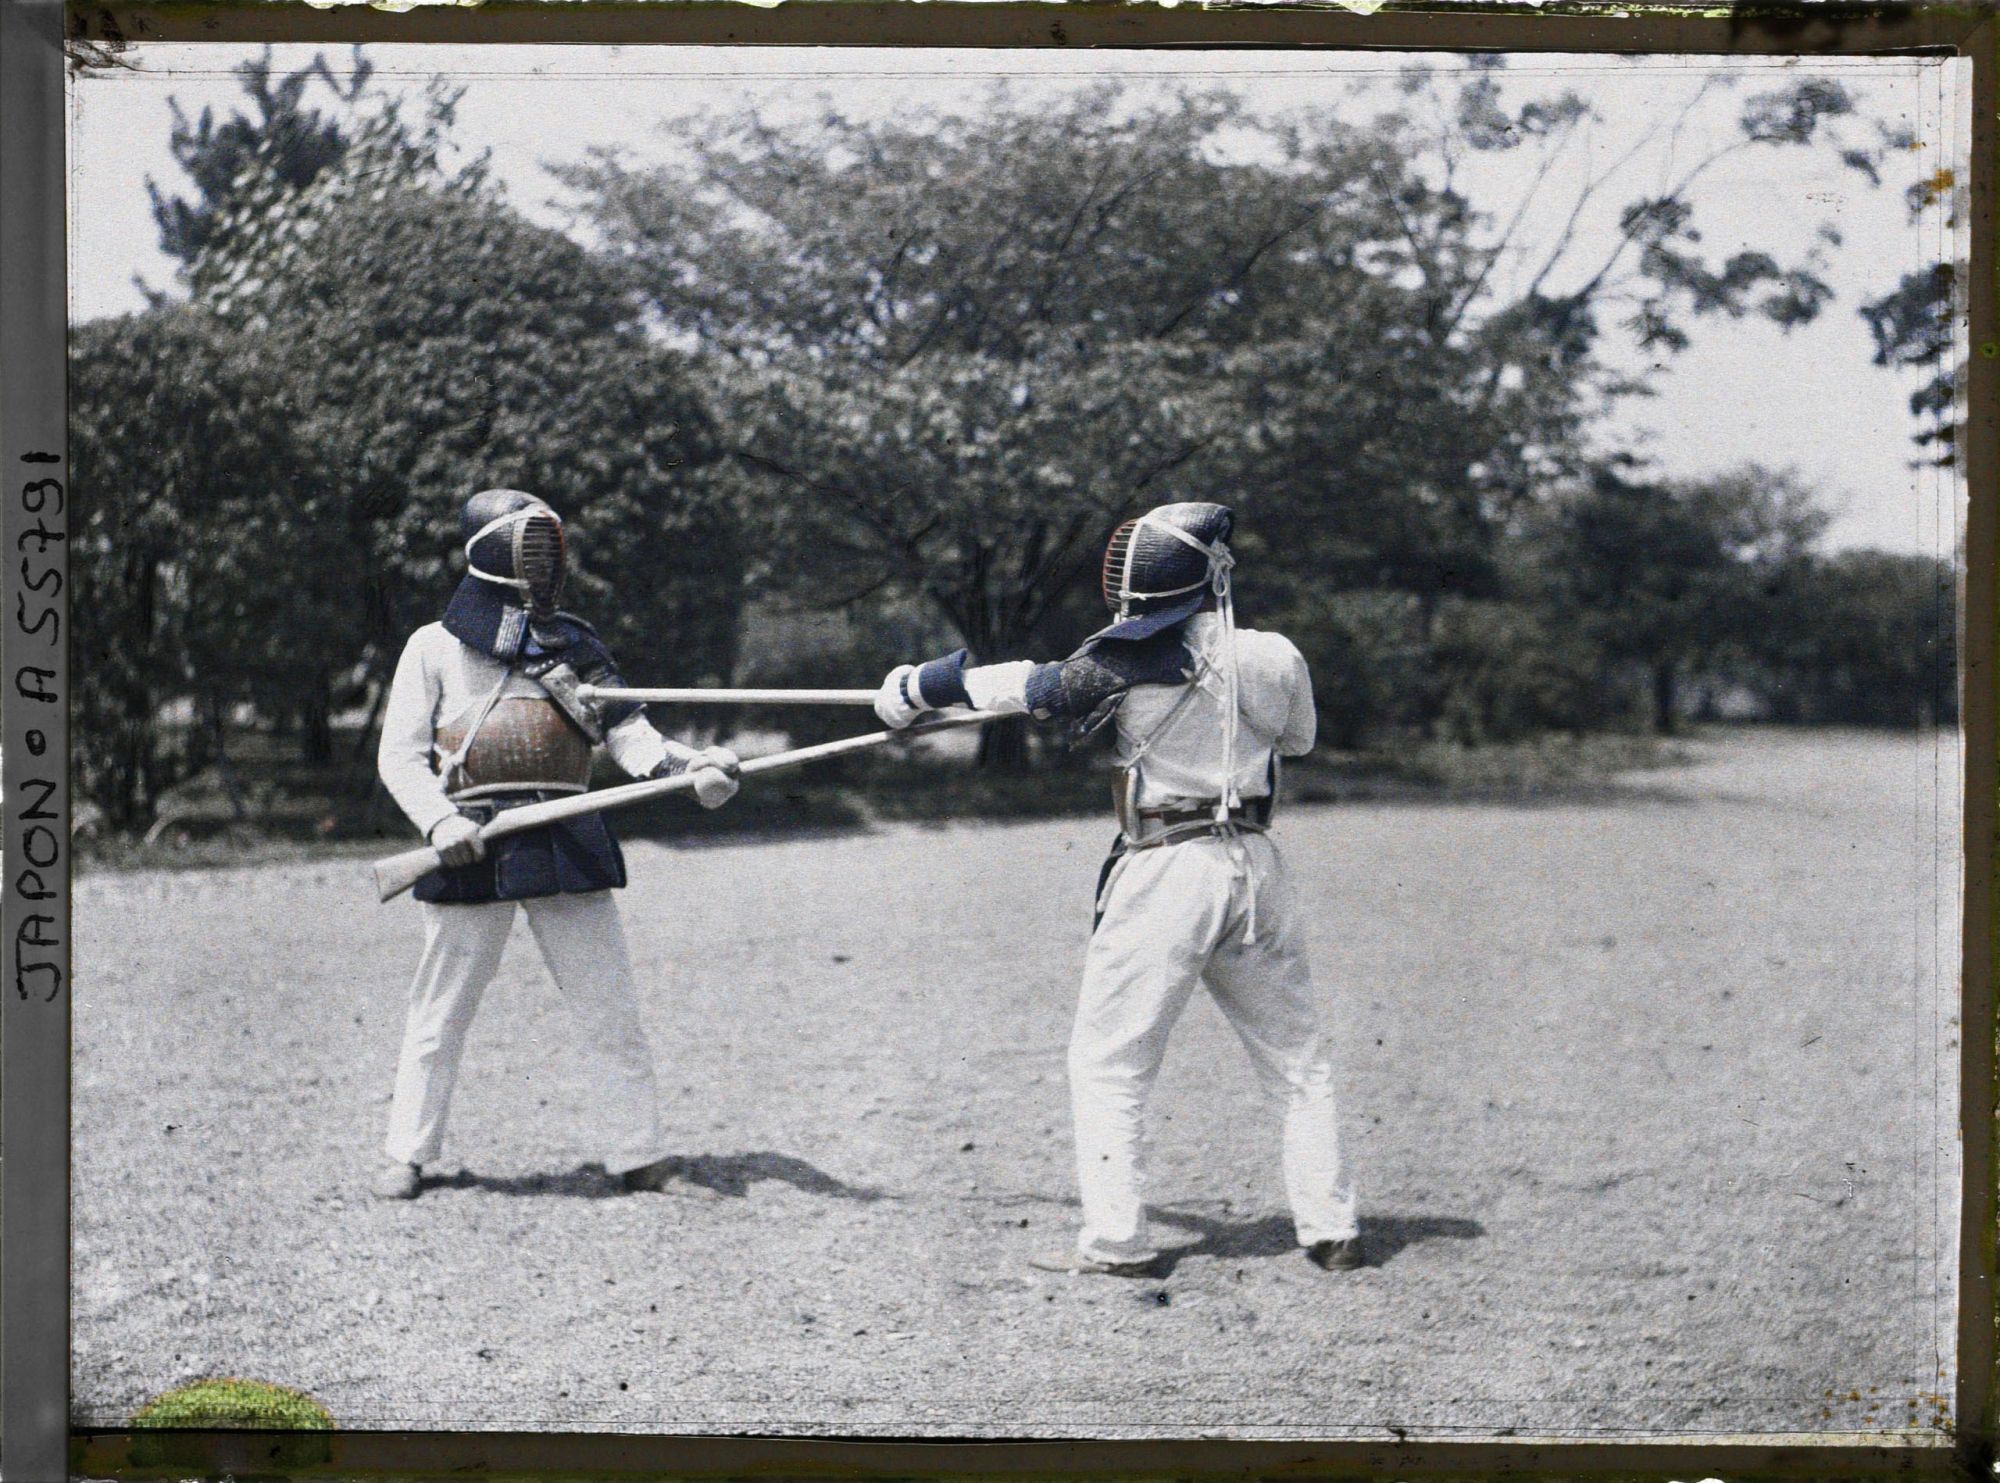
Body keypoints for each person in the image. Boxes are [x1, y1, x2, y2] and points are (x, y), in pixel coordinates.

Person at [873, 501, 1362, 1275]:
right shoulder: (1274, 654)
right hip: (1258, 867)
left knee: (1109, 1061)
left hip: (1167, 865)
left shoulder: (1132, 658)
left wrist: (913, 688)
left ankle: (1118, 1242)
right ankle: (1332, 1230)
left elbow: (1028, 688)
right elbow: (1297, 739)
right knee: (1297, 1059)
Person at [372, 488, 739, 1201]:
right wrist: (440, 823)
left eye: (548, 545)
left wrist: (688, 767)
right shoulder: (434, 646)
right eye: (528, 545)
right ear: (493, 551)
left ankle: (641, 1155)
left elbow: (631, 735)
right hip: (472, 841)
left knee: (610, 1007)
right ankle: (405, 1153)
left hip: (565, 833)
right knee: (439, 1011)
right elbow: (399, 756)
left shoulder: (573, 643)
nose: (544, 560)